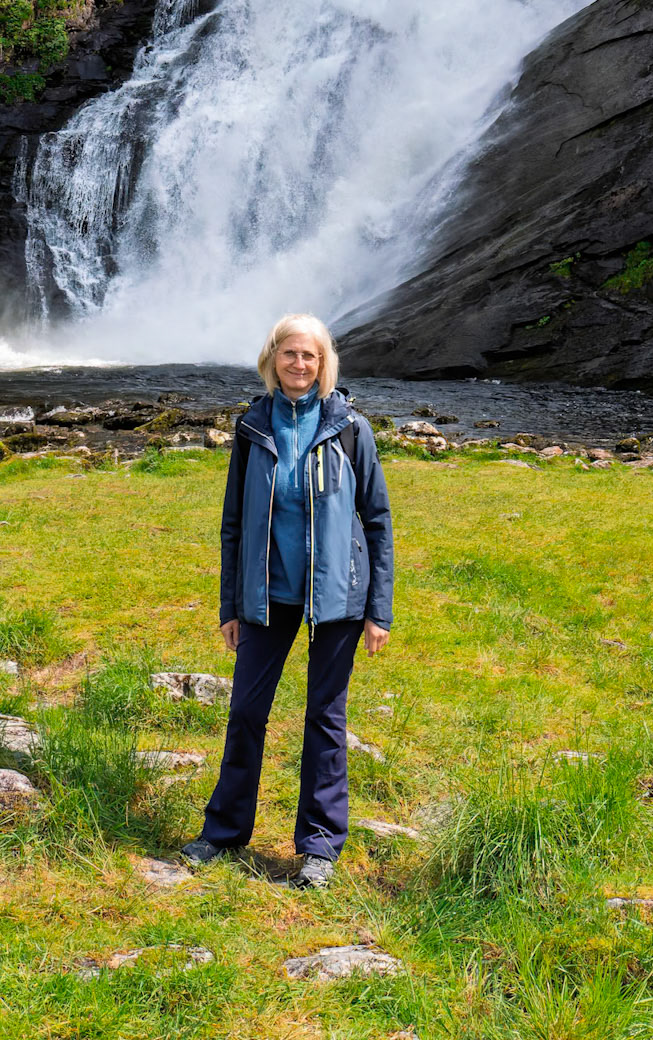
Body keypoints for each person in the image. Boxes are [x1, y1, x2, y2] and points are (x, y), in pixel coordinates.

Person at [179, 312, 393, 889]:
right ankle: (222, 832)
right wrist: (229, 605)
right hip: (267, 596)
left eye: (310, 356)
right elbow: (232, 525)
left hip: (338, 599)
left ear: (325, 366)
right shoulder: (253, 429)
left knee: (325, 717)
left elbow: (377, 522)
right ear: (272, 358)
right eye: (290, 354)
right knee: (246, 711)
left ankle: (319, 847)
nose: (299, 364)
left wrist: (379, 609)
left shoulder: (351, 429)